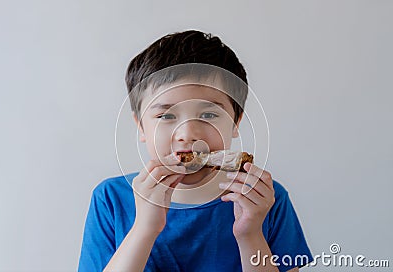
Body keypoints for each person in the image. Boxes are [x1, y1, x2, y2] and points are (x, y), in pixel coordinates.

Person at [78, 30, 313, 272]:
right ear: (141, 126)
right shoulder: (111, 200)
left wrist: (250, 235)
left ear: (235, 123)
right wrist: (145, 228)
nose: (187, 133)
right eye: (166, 116)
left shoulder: (265, 200)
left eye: (208, 115)